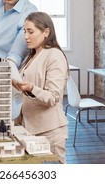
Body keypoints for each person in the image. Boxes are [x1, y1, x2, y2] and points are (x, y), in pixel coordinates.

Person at [12, 12, 69, 164]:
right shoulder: (31, 56)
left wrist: (31, 88)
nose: (26, 36)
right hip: (30, 130)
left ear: (46, 32)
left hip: (49, 132)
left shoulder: (54, 56)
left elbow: (53, 97)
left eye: (30, 32)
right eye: (24, 31)